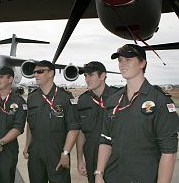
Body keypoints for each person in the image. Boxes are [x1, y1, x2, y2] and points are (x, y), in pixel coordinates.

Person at [95, 44, 179, 183]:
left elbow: (168, 151)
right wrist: (99, 173)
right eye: (120, 60)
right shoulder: (113, 100)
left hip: (144, 178)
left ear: (142, 63)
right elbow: (106, 140)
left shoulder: (160, 101)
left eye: (128, 60)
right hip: (113, 177)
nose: (122, 64)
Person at [24, 60, 79, 183]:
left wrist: (65, 153)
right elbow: (30, 124)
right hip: (36, 153)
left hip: (57, 152)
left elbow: (73, 128)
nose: (35, 75)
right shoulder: (32, 98)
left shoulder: (65, 97)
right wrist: (28, 145)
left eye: (40, 71)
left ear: (51, 73)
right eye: (34, 72)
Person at [76, 61, 118, 183]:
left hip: (114, 154)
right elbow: (81, 132)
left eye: (91, 75)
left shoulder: (117, 97)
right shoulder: (83, 100)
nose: (87, 79)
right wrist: (80, 159)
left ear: (103, 75)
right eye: (85, 76)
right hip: (91, 154)